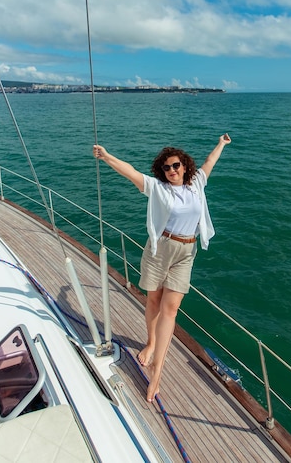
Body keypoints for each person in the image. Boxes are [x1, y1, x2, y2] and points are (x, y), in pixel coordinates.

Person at [93, 133, 231, 402]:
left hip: (186, 252)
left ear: (185, 166)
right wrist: (107, 156)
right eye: (166, 167)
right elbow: (131, 172)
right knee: (153, 301)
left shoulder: (197, 183)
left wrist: (221, 144)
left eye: (176, 165)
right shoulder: (157, 188)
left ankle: (157, 372)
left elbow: (210, 161)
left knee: (171, 308)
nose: (171, 171)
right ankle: (151, 343)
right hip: (160, 249)